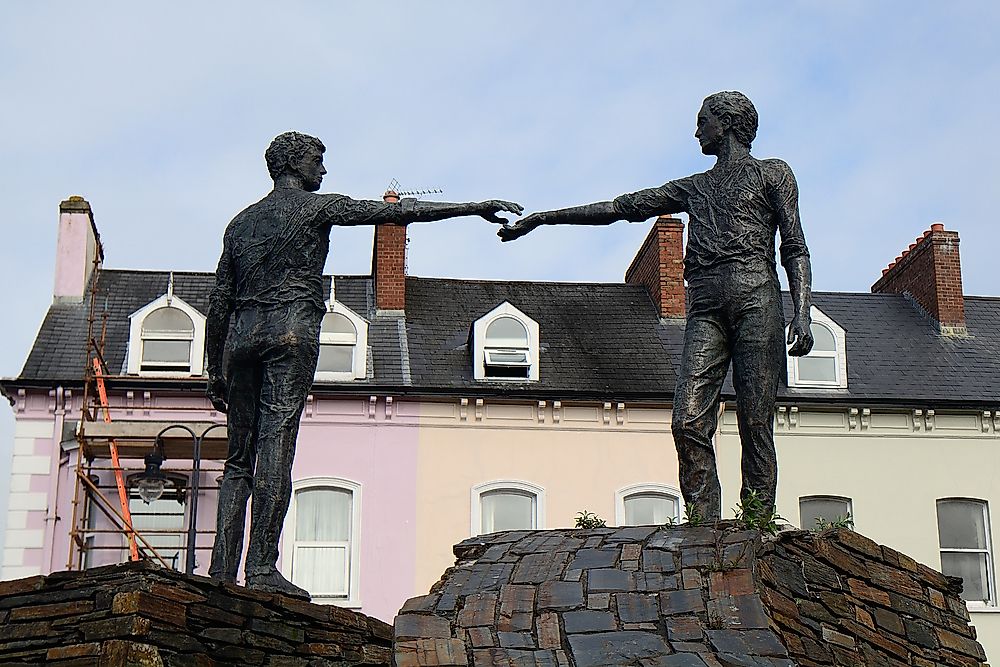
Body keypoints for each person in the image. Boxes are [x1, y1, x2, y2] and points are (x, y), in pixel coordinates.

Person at [206, 131, 522, 596]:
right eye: (318, 159)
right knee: (275, 449)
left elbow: (219, 300)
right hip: (290, 329)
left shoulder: (240, 224)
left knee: (237, 461)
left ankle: (219, 572)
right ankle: (259, 570)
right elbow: (396, 213)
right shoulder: (316, 208)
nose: (324, 169)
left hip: (241, 337)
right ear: (295, 163)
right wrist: (472, 207)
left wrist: (215, 366)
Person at [498, 92, 813, 520]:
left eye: (703, 121)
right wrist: (544, 218)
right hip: (705, 308)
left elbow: (794, 246)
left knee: (756, 422)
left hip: (756, 298)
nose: (696, 130)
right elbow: (619, 207)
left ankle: (757, 528)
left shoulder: (772, 174)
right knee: (687, 420)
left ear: (728, 123)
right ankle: (705, 529)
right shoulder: (694, 188)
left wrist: (803, 311)